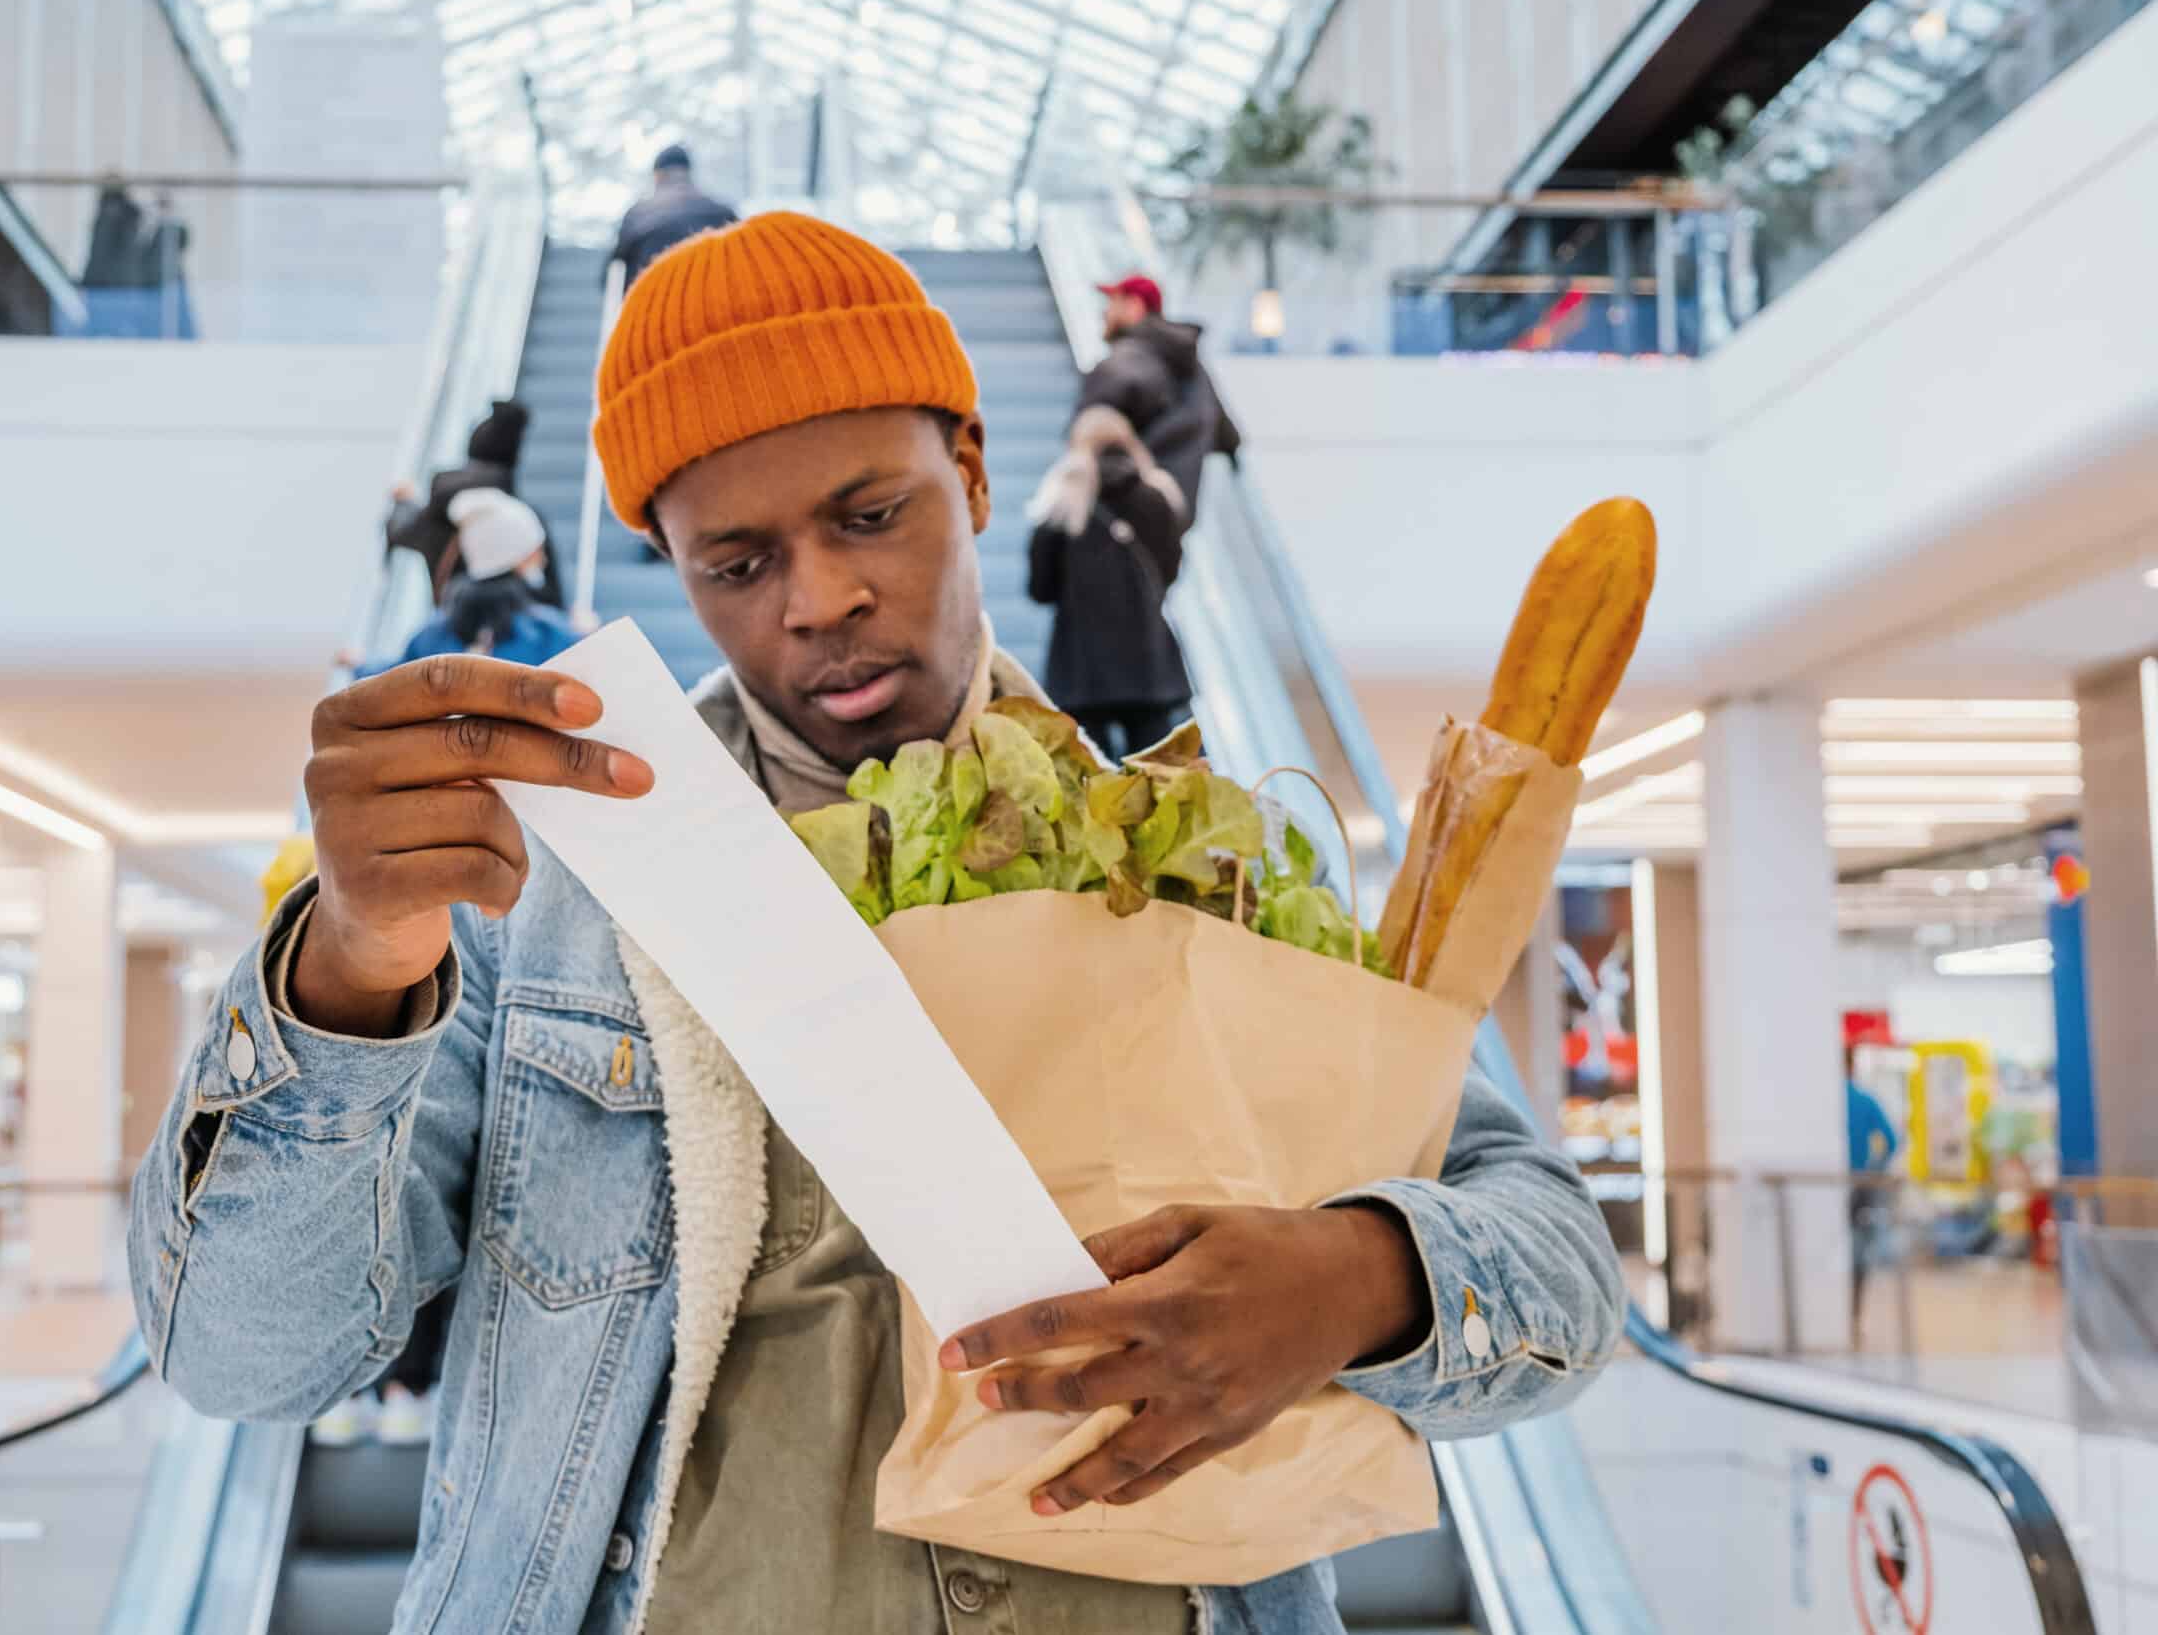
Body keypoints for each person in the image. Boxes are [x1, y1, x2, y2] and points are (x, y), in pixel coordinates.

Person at [130, 212, 1624, 1635]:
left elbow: (1556, 1251)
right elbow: (245, 1353)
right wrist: (349, 969)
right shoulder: (543, 904)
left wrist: (1360, 1276)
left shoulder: (1206, 858)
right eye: (739, 562)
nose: (823, 596)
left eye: (870, 513)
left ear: (971, 471)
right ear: (671, 560)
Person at [1025, 403, 1194, 761]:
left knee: (1088, 776)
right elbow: (1170, 573)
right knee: (1157, 778)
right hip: (1147, 662)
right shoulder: (1158, 496)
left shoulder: (1060, 502)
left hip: (1081, 666)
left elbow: (1040, 588)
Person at [344, 491, 575, 677]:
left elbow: (397, 677)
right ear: (515, 558)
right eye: (535, 552)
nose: (543, 560)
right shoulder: (546, 632)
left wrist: (360, 664)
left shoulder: (435, 631)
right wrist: (586, 634)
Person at [1079, 272, 1243, 514]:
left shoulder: (1124, 363)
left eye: (1112, 303)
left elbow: (1087, 429)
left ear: (1134, 306)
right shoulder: (1192, 366)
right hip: (1174, 513)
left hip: (1124, 514)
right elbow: (1227, 434)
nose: (1104, 313)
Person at [385, 399, 548, 600]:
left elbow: (402, 529)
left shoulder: (441, 511)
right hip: (510, 628)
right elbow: (548, 595)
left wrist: (405, 502)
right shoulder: (522, 522)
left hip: (454, 624)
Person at [608, 144, 739, 286]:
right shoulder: (723, 212)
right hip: (713, 301)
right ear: (688, 173)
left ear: (657, 176)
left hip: (654, 302)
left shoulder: (637, 214)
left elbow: (615, 268)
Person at [1847, 1072, 1901, 1342]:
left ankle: (1832, 1311)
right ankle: (1854, 1314)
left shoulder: (1822, 1101)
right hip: (1860, 1185)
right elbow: (1892, 1140)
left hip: (1828, 1188)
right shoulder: (1864, 1099)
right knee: (1858, 1252)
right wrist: (1875, 1170)